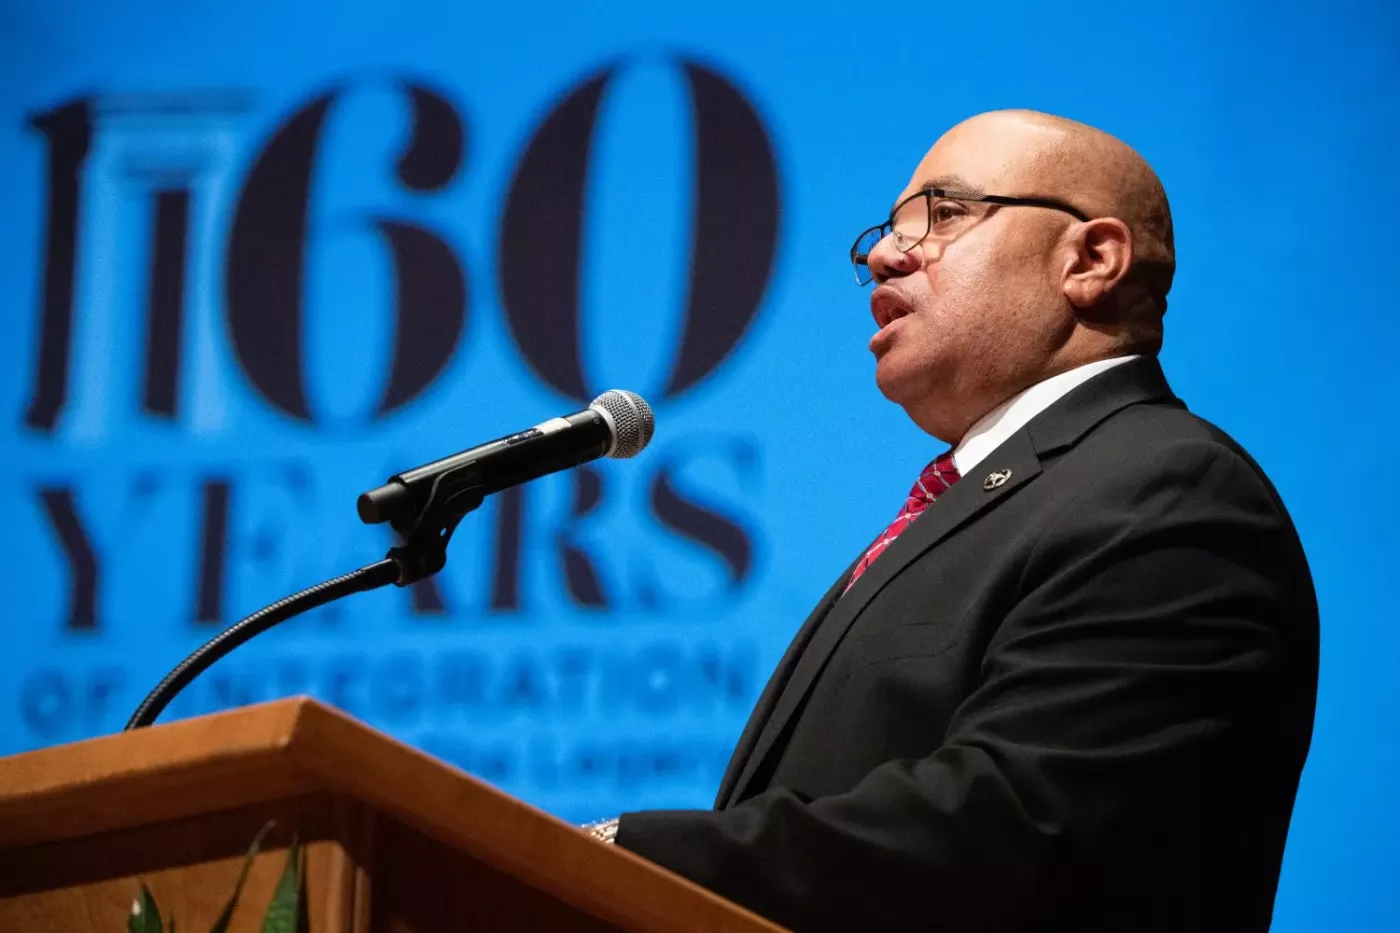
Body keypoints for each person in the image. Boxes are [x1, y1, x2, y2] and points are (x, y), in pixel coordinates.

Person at [583, 110, 1319, 933]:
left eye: (944, 213)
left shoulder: (1169, 491)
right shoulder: (982, 501)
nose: (882, 255)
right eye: (887, 231)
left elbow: (1009, 832)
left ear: (1091, 260)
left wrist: (622, 856)